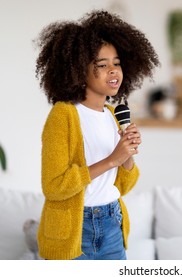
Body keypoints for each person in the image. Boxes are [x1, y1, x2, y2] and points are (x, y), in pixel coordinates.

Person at [35, 10, 159, 260]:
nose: (113, 71)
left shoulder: (114, 115)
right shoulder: (64, 115)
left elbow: (123, 185)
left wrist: (127, 155)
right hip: (76, 229)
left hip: (112, 223)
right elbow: (54, 186)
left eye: (117, 63)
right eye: (102, 65)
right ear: (79, 70)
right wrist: (113, 159)